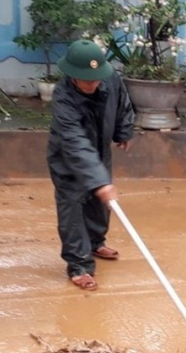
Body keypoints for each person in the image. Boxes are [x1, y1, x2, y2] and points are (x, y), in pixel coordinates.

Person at [47, 39, 134, 291]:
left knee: (100, 203)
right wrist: (99, 180)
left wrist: (124, 130)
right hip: (68, 156)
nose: (93, 84)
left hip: (100, 147)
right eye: (86, 80)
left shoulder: (109, 77)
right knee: (73, 206)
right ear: (72, 75)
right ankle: (79, 265)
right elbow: (74, 141)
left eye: (96, 78)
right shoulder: (63, 97)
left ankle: (95, 242)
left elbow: (121, 103)